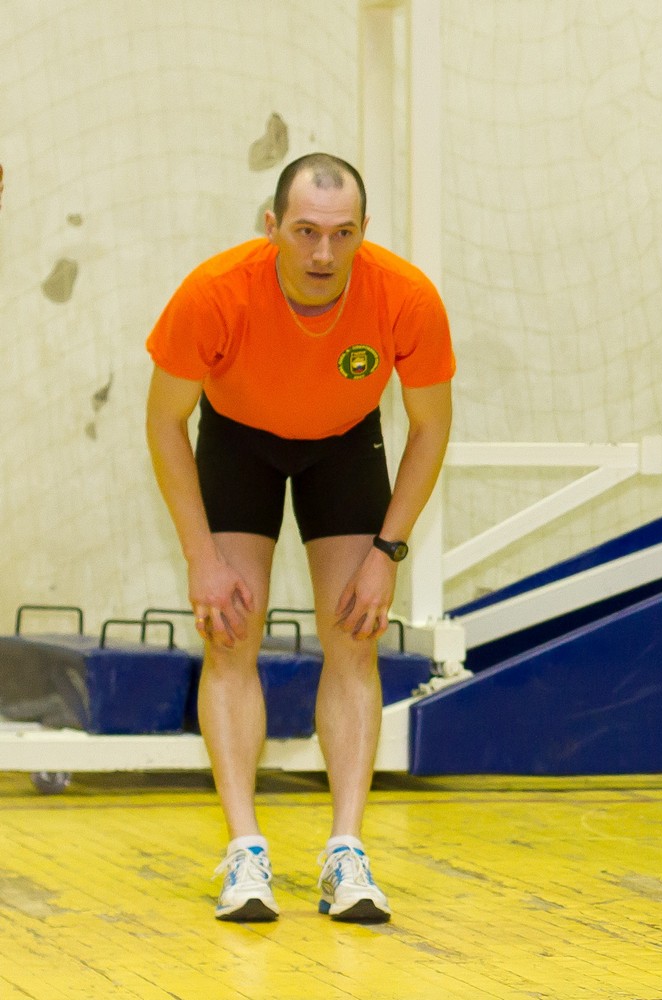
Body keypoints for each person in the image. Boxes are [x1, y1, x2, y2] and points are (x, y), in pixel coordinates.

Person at [145, 153, 455, 923]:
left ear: (363, 232)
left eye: (341, 234)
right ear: (272, 226)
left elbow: (430, 427)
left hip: (344, 445)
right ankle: (245, 850)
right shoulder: (215, 293)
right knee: (230, 635)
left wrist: (387, 554)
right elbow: (163, 423)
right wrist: (202, 559)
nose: (323, 254)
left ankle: (346, 854)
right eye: (306, 232)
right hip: (238, 442)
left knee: (354, 637)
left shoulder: (406, 298)